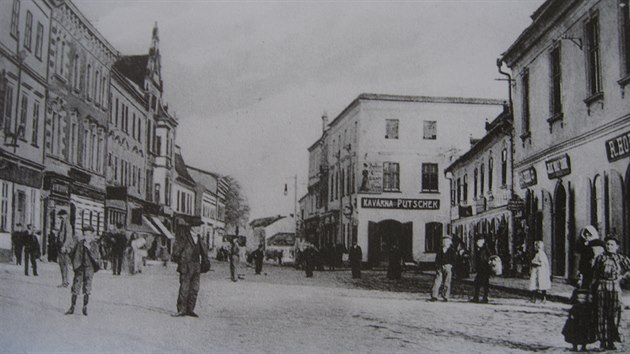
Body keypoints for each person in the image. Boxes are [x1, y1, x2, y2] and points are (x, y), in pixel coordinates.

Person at [591, 236, 630, 350]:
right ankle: (603, 341)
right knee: (601, 314)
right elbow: (595, 275)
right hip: (601, 287)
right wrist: (591, 290)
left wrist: (622, 278)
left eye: (612, 245)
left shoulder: (621, 258)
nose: (609, 247)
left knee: (614, 314)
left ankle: (612, 340)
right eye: (607, 244)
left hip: (615, 287)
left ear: (617, 246)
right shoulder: (600, 258)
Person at [171, 222, 210, 317]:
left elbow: (204, 252)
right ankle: (181, 310)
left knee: (194, 289)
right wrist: (181, 261)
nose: (198, 228)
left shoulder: (200, 239)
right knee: (184, 288)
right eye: (196, 226)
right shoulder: (184, 237)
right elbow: (176, 251)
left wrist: (205, 264)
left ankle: (190, 309)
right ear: (191, 227)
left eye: (199, 226)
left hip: (197, 266)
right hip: (186, 266)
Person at [65, 225, 101, 316]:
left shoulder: (94, 245)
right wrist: (73, 262)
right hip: (80, 268)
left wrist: (89, 249)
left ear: (92, 235)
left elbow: (97, 257)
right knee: (75, 287)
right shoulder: (80, 243)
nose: (86, 237)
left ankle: (85, 307)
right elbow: (73, 253)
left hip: (89, 269)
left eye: (88, 235)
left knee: (87, 288)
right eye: (85, 235)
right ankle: (72, 307)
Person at [576, 225, 604, 289]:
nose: (587, 236)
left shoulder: (597, 244)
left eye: (589, 235)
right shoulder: (585, 245)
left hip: (594, 267)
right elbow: (583, 259)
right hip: (586, 268)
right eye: (586, 235)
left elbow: (598, 256)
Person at [430, 235, 456, 302]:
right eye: (444, 241)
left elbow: (454, 259)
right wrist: (437, 265)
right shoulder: (440, 250)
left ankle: (445, 296)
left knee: (447, 282)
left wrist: (451, 265)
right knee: (437, 281)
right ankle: (434, 296)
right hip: (440, 267)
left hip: (448, 267)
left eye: (447, 241)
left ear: (450, 242)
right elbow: (437, 258)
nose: (445, 243)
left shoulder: (452, 250)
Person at [471, 235, 491, 303]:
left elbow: (489, 257)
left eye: (479, 241)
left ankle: (484, 298)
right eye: (477, 241)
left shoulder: (485, 249)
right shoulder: (478, 249)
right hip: (481, 269)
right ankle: (477, 297)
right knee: (478, 283)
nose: (477, 243)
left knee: (483, 284)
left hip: (485, 269)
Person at [56, 210, 74, 288]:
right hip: (61, 246)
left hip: (64, 247)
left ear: (65, 215)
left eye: (62, 216)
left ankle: (65, 282)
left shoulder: (67, 224)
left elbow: (68, 236)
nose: (61, 218)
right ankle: (64, 281)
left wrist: (64, 246)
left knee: (64, 265)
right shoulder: (64, 223)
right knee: (62, 265)